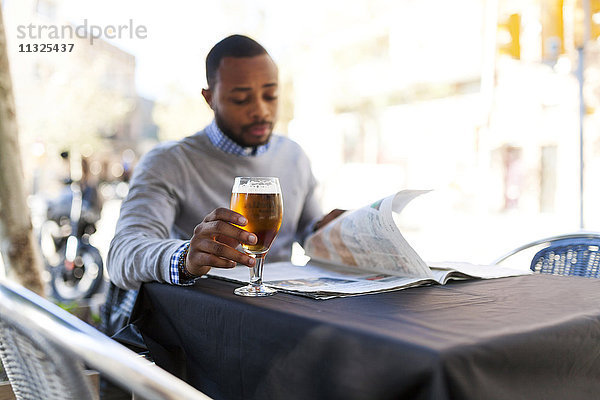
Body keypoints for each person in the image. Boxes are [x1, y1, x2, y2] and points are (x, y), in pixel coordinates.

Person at [101, 34, 343, 337]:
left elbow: (307, 231)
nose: (261, 111)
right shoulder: (169, 162)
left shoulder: (293, 155)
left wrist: (334, 230)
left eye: (270, 95)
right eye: (241, 98)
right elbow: (123, 254)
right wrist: (186, 257)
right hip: (205, 328)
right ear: (209, 98)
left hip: (281, 316)